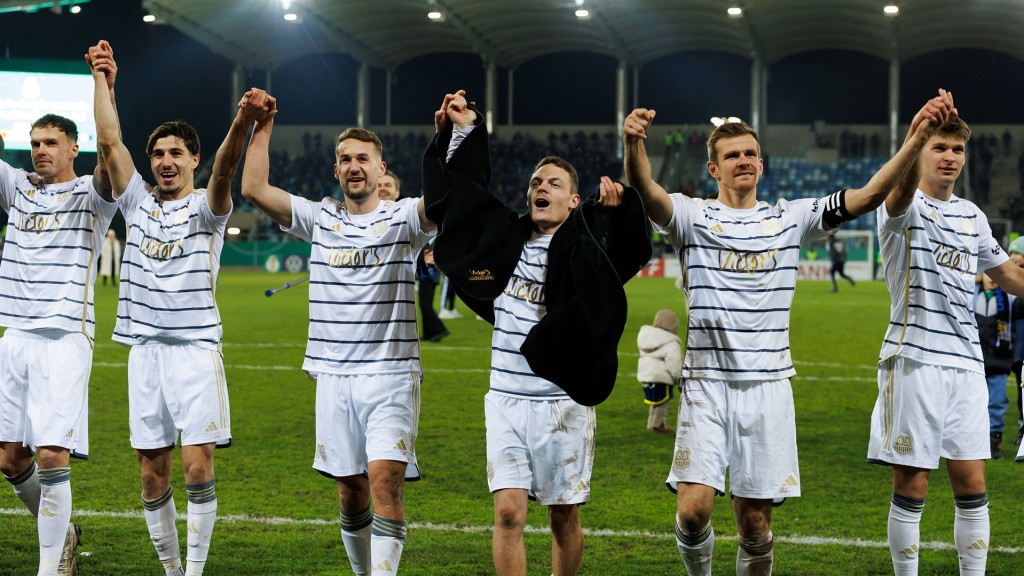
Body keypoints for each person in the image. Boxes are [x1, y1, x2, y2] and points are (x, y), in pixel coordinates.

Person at [622, 91, 954, 576]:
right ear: (713, 169)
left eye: (751, 153)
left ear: (762, 163)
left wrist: (917, 139)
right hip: (706, 385)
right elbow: (645, 189)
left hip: (769, 386)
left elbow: (868, 196)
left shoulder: (790, 216)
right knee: (693, 514)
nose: (744, 161)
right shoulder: (691, 215)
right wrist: (633, 145)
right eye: (732, 155)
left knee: (754, 525)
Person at [424, 90, 650, 576]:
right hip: (504, 397)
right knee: (507, 512)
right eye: (534, 182)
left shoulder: (588, 248)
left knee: (563, 516)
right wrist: (463, 131)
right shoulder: (502, 241)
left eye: (553, 182)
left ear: (573, 199)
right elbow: (463, 196)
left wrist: (615, 213)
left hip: (562, 401)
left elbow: (632, 251)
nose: (539, 187)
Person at [241, 89, 436, 575]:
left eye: (363, 158)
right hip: (332, 375)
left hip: (390, 374)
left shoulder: (405, 217)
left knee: (385, 480)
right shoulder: (319, 217)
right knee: (351, 492)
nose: (354, 166)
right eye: (345, 159)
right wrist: (260, 128)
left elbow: (450, 201)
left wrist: (450, 139)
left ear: (380, 168)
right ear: (336, 170)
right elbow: (253, 189)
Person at [89, 40, 255, 576]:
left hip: (194, 352)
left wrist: (242, 123)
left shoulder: (208, 209)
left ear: (193, 160)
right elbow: (110, 141)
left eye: (175, 153)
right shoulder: (135, 203)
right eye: (158, 153)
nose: (165, 162)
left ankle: (197, 571)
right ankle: (172, 569)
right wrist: (103, 80)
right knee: (151, 474)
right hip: (145, 353)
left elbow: (229, 168)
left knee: (196, 468)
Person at [867, 102, 1024, 575]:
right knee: (912, 485)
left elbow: (1011, 277)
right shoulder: (903, 201)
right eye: (940, 147)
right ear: (922, 152)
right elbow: (892, 195)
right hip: (913, 359)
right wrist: (915, 134)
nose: (950, 157)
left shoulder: (973, 216)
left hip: (966, 365)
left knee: (973, 483)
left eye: (957, 149)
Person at [0, 107, 116, 575]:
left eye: (50, 143)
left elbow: (111, 148)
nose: (41, 151)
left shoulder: (93, 193)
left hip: (66, 335)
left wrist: (104, 83)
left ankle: (51, 567)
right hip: (16, 334)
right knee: (10, 459)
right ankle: (64, 532)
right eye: (34, 143)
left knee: (51, 453)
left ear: (73, 148)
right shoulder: (17, 187)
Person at [973, 274, 1015, 459]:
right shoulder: (971, 295)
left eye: (996, 273)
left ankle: (994, 440)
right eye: (987, 273)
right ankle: (972, 441)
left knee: (997, 402)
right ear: (979, 276)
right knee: (972, 403)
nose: (992, 277)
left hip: (999, 360)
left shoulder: (1009, 297)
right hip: (974, 360)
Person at [637, 309, 682, 434]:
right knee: (663, 403)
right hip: (661, 377)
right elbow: (674, 362)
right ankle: (658, 425)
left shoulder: (646, 336)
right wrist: (678, 378)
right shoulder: (671, 342)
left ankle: (651, 424)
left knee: (656, 402)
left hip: (646, 375)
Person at [1007, 236, 1024, 449]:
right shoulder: (1011, 281)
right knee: (1021, 393)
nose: (1012, 257)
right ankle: (1022, 432)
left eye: (1016, 253)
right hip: (1018, 348)